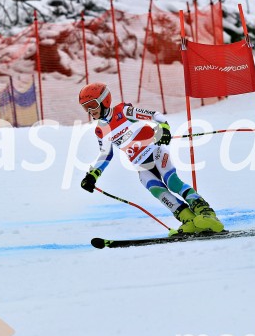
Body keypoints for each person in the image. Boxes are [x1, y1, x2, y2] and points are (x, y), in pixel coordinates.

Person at [78, 82, 224, 236]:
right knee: (157, 191)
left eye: (92, 105)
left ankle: (206, 213)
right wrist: (93, 175)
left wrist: (164, 127)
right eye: (85, 107)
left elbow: (154, 115)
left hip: (155, 151)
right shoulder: (100, 130)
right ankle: (189, 220)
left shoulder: (123, 110)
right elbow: (105, 155)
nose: (90, 111)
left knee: (172, 182)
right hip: (140, 164)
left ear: (104, 101)